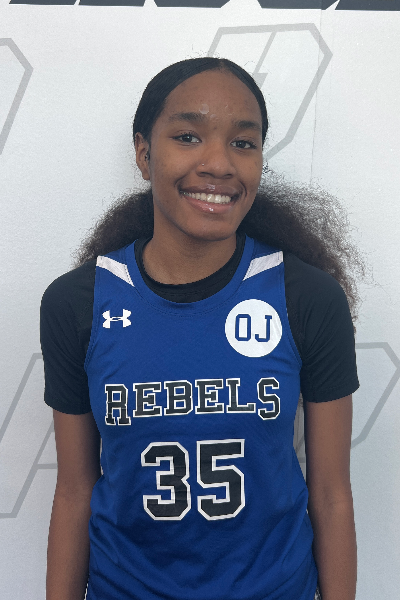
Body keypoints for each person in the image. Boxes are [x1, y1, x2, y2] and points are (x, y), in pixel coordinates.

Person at [41, 57, 360, 600]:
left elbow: (331, 494)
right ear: (144, 154)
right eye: (188, 136)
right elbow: (74, 491)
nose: (219, 163)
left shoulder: (306, 297)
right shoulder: (78, 303)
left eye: (243, 143)